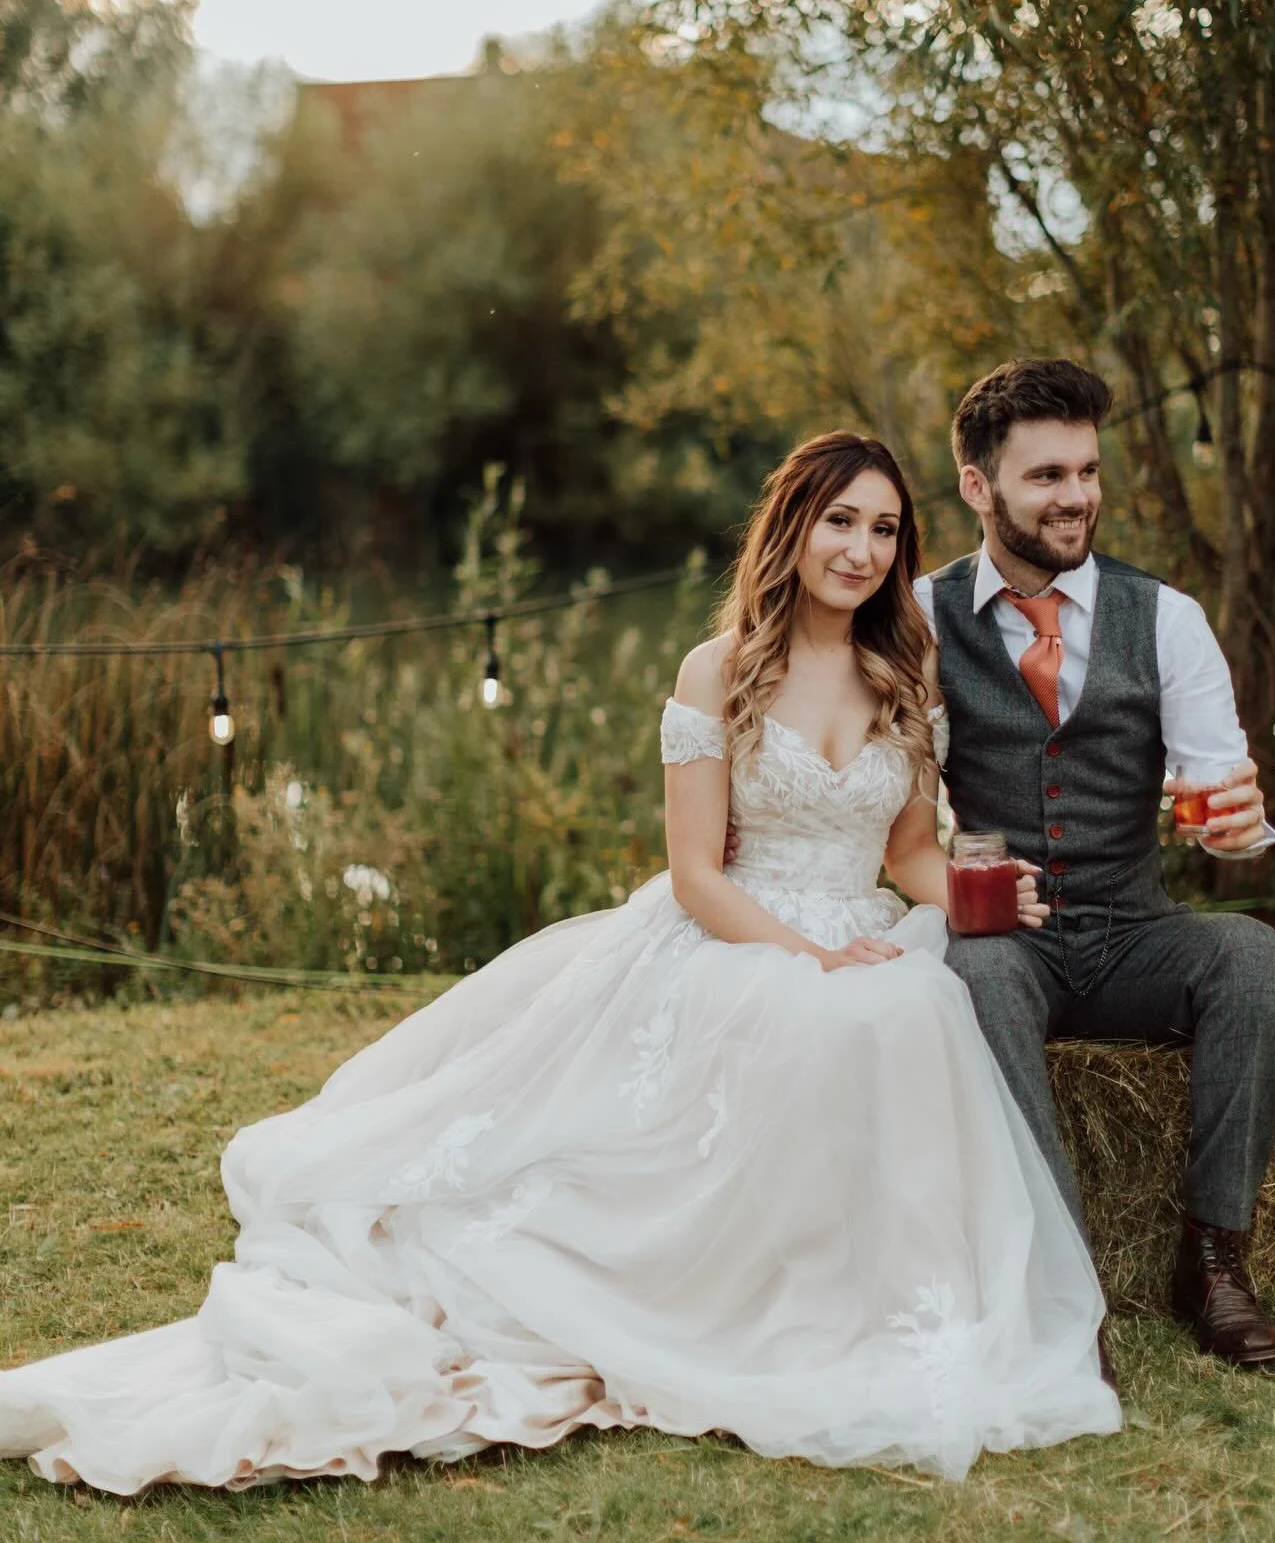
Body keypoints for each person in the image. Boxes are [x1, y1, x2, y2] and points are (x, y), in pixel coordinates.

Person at [0, 432, 1120, 1495]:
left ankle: (881, 1308)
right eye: (839, 521)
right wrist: (813, 957)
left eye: (883, 532)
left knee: (913, 1007)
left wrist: (983, 895)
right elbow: (696, 875)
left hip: (859, 924)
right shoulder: (717, 670)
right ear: (789, 528)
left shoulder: (903, 669)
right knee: (841, 1017)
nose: (860, 551)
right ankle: (705, 1296)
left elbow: (912, 852)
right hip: (739, 928)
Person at [921, 360, 1275, 1371]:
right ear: (976, 486)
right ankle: (1060, 1277)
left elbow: (1222, 790)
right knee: (977, 968)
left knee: (1253, 959)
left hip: (1136, 933)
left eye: (1086, 470)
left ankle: (1216, 1263)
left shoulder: (1165, 617)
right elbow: (895, 802)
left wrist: (1238, 826)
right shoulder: (918, 619)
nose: (1077, 495)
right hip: (1014, 939)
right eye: (1046, 475)